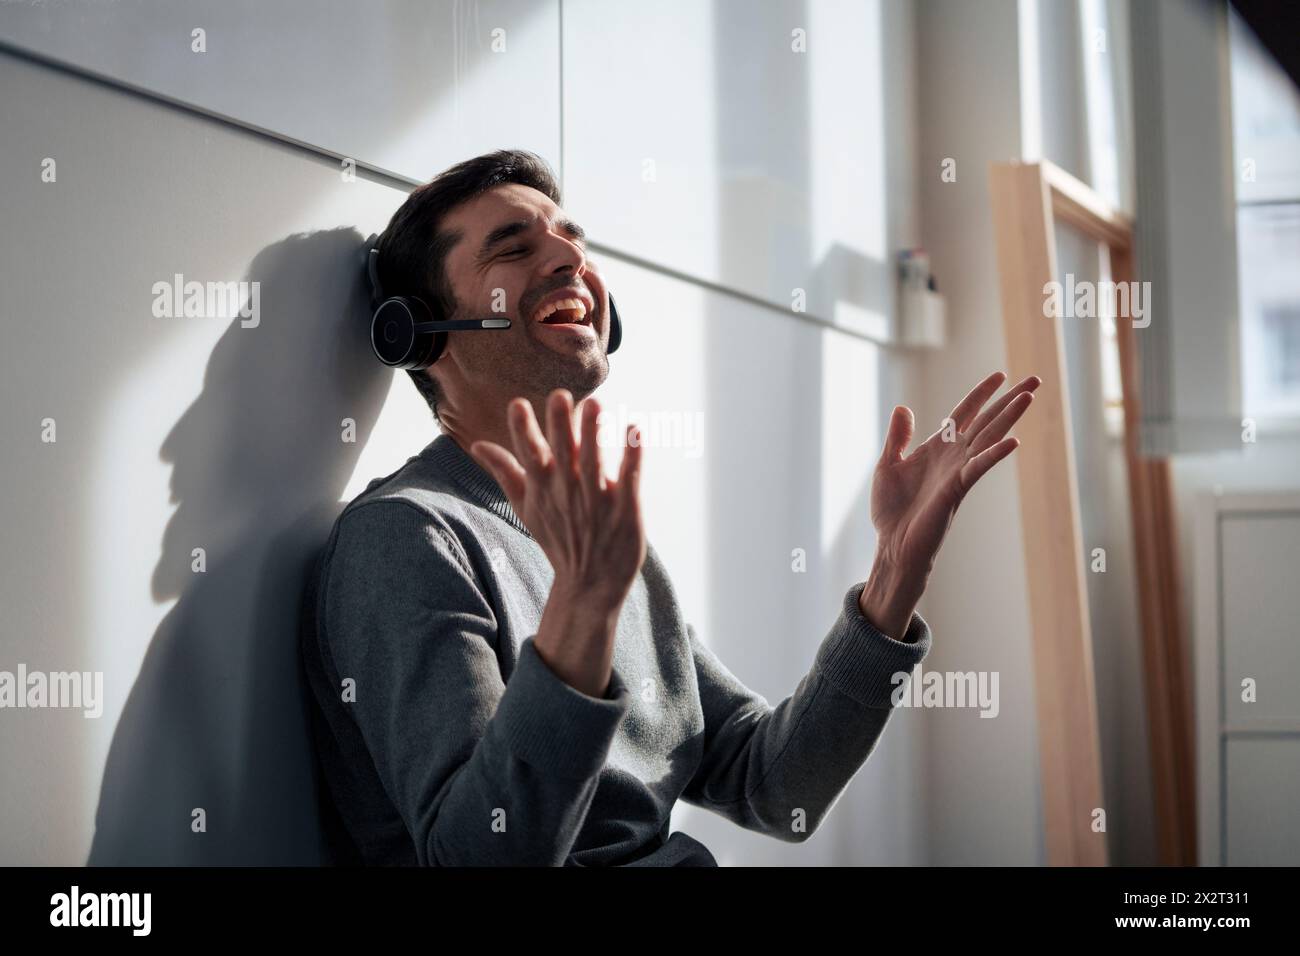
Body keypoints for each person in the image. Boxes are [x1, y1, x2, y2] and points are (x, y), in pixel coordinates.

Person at [300, 149, 1039, 866]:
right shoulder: (404, 537)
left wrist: (893, 574)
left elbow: (776, 790)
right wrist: (582, 609)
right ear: (420, 333)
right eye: (513, 248)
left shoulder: (610, 544)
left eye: (572, 241)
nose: (569, 260)